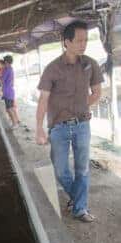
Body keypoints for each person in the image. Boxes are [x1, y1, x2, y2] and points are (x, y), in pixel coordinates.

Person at [36, 20, 103, 222]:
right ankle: (77, 199)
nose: (83, 44)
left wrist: (82, 108)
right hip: (58, 127)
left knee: (82, 168)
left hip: (82, 125)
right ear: (67, 42)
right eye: (79, 40)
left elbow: (97, 93)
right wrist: (39, 128)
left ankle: (79, 209)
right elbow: (43, 99)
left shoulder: (90, 64)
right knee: (60, 169)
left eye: (85, 40)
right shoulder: (52, 69)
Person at [2, 55, 19, 128]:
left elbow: (2, 80)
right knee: (11, 108)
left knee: (9, 109)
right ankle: (16, 121)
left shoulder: (7, 70)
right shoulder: (11, 69)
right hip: (10, 91)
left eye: (4, 62)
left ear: (6, 62)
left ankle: (15, 123)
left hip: (7, 91)